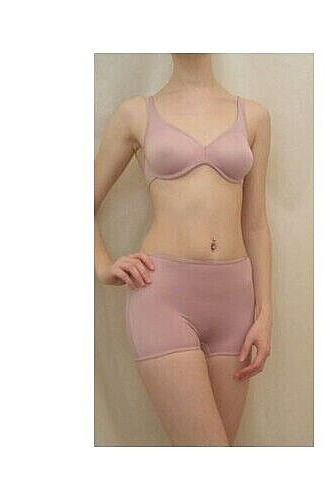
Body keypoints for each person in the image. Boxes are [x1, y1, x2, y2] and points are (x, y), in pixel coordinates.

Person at [95, 54, 272, 445]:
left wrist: (265, 315)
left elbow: (256, 224)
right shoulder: (135, 114)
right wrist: (103, 266)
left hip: (235, 304)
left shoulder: (255, 117)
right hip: (163, 298)